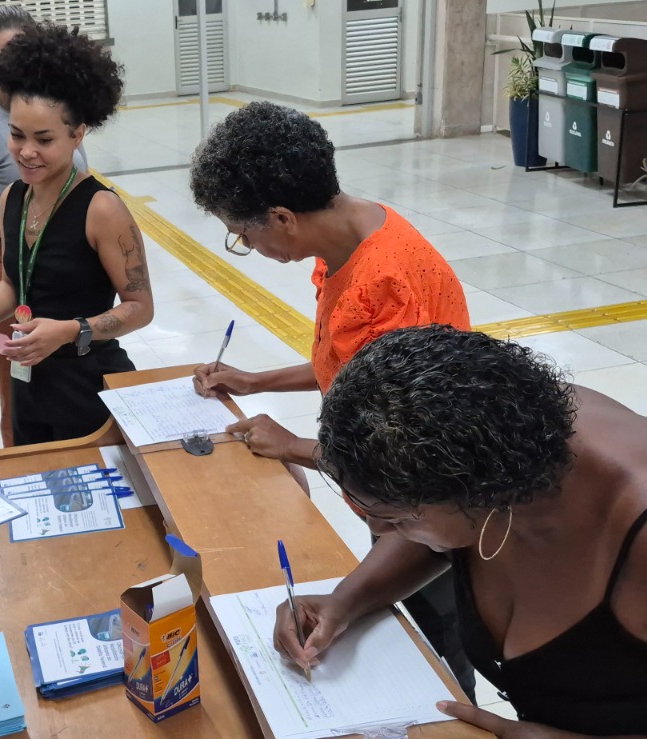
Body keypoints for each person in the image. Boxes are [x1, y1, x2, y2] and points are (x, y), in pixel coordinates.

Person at [279, 325, 647, 737]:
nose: (386, 533)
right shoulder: (499, 441)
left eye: (399, 516)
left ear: (484, 490)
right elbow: (438, 527)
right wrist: (346, 600)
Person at [187, 101, 473, 696]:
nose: (247, 245)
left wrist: (293, 446)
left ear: (283, 217)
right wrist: (255, 380)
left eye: (243, 235)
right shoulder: (354, 233)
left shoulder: (389, 287)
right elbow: (352, 366)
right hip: (388, 507)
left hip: (432, 519)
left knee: (434, 656)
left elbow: (406, 458)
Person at [0, 22, 151, 445]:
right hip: (29, 384)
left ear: (78, 134)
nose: (26, 151)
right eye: (17, 135)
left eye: (44, 139)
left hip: (88, 384)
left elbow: (140, 307)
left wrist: (69, 330)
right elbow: (13, 283)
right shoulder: (14, 197)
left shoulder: (101, 209)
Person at [0, 5, 88, 447]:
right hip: (8, 268)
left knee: (71, 401)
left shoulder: (55, 115)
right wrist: (22, 230)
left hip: (65, 275)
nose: (29, 149)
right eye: (5, 57)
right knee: (20, 404)